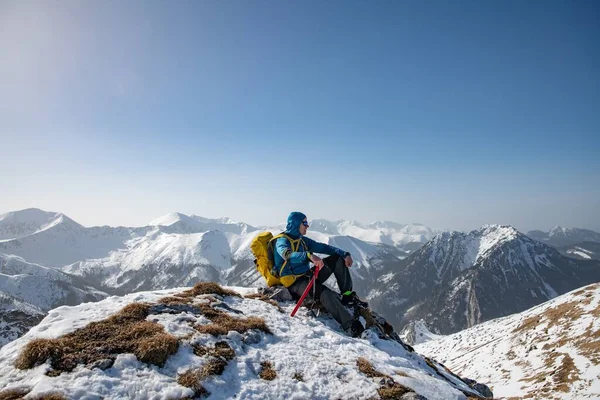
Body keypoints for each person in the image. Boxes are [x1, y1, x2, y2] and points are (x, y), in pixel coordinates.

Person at [273, 211, 368, 337]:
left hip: (306, 275)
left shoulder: (302, 241)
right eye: (304, 223)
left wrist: (344, 254)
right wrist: (308, 255)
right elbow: (287, 255)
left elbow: (323, 248)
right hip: (294, 282)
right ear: (296, 224)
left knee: (337, 259)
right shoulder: (282, 241)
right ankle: (350, 325)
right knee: (325, 293)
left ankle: (347, 295)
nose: (307, 226)